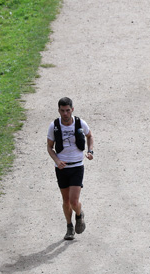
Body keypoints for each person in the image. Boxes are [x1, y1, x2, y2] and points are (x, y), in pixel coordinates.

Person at [46, 97, 95, 241]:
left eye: (68, 110)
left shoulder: (80, 123)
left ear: (72, 109)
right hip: (61, 168)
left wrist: (90, 151)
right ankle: (69, 227)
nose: (65, 114)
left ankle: (79, 215)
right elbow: (49, 147)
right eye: (62, 111)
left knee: (74, 201)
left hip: (77, 166)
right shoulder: (54, 126)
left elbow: (90, 136)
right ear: (59, 110)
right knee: (66, 201)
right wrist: (57, 160)